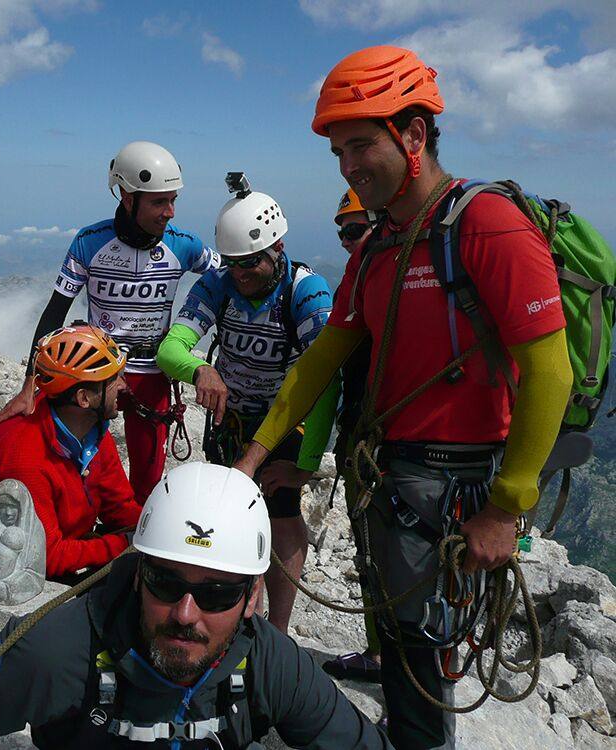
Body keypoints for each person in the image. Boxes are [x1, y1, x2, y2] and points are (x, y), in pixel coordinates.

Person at [233, 46, 572, 749]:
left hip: (454, 486)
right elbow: (323, 358)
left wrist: (506, 509)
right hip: (394, 479)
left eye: (360, 144)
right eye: (338, 152)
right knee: (403, 642)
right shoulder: (378, 245)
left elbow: (551, 372)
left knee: (421, 652)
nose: (348, 165)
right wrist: (256, 456)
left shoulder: (489, 226)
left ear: (414, 135)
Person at [0, 462, 391, 749]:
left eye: (218, 593)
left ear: (253, 598)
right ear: (139, 574)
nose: (184, 613)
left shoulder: (271, 664)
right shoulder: (57, 652)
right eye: (164, 581)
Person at [156, 175, 337, 633]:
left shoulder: (307, 292)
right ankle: (232, 613)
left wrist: (306, 463)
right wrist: (200, 370)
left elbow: (326, 382)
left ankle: (274, 630)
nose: (241, 274)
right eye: (234, 263)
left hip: (285, 423)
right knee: (228, 513)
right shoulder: (219, 285)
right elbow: (170, 348)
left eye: (251, 263)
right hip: (231, 419)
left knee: (281, 512)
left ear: (278, 248)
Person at [0, 141, 219, 503]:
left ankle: (135, 541)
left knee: (147, 478)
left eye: (173, 200)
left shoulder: (185, 245)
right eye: (159, 201)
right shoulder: (89, 242)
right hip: (97, 372)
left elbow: (230, 276)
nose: (170, 212)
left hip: (152, 372)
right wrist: (30, 385)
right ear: (128, 198)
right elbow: (55, 312)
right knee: (75, 462)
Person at [0, 324, 142, 581]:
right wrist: (123, 545)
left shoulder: (93, 432)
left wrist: (156, 527)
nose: (123, 385)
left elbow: (118, 508)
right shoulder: (26, 461)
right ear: (84, 399)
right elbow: (45, 557)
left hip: (72, 547)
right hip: (29, 574)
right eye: (113, 380)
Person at [323, 189, 383, 683]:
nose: (347, 242)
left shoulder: (386, 275)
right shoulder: (364, 273)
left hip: (392, 441)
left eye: (355, 230)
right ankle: (382, 654)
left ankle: (420, 690)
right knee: (369, 550)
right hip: (366, 433)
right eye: (342, 231)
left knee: (408, 563)